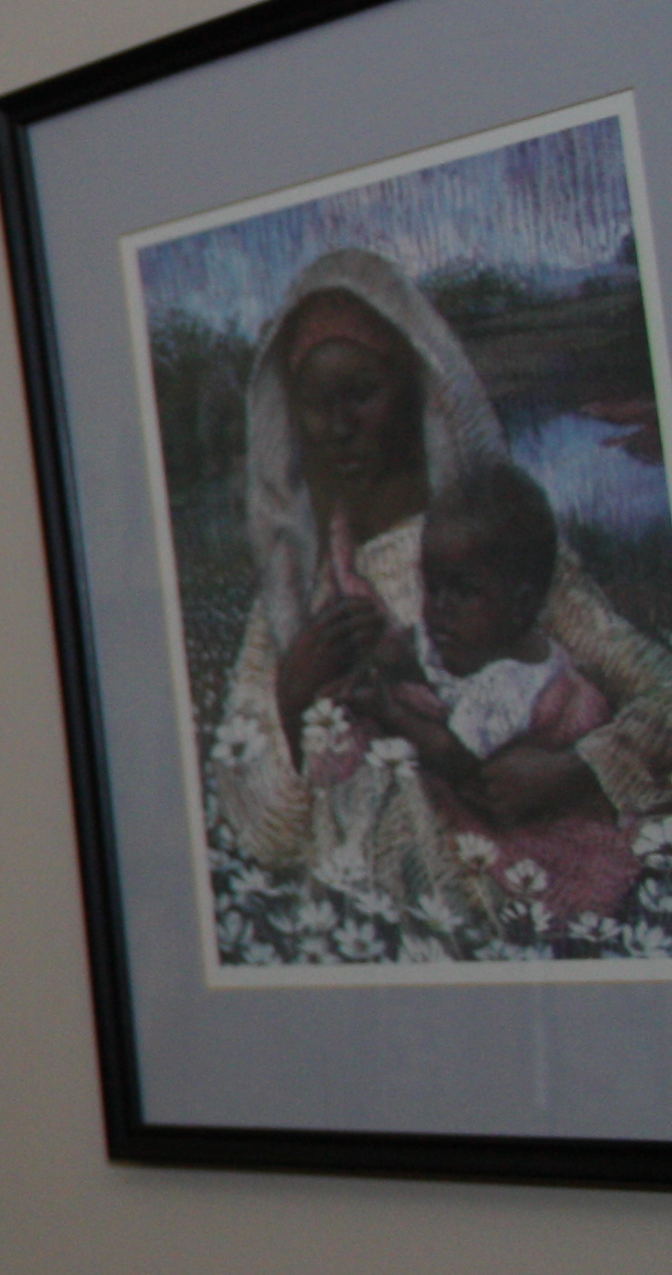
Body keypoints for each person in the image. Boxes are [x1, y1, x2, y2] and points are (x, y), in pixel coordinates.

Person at [208, 249, 670, 889]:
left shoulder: (492, 542)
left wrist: (578, 771)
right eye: (316, 404)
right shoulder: (293, 596)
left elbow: (660, 690)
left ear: (415, 384)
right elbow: (259, 834)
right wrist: (291, 698)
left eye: (362, 393)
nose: (339, 427)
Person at [336, 461, 652, 924]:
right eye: (433, 586)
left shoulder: (517, 681)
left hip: (531, 837)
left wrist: (385, 706)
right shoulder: (459, 633)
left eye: (462, 591)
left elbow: (456, 755)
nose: (438, 608)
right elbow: (410, 648)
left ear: (523, 604)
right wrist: (378, 656)